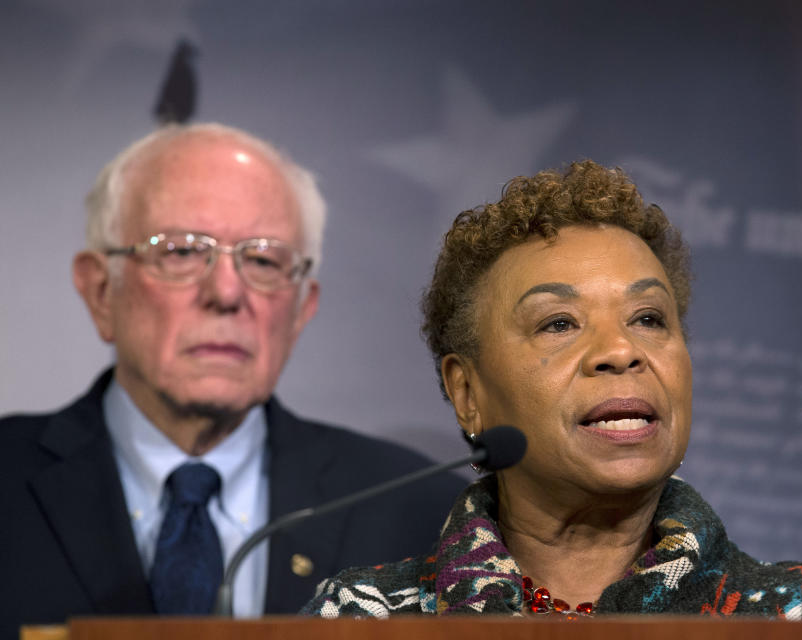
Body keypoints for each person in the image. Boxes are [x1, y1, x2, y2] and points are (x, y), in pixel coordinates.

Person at [302, 161, 802, 620]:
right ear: (467, 390)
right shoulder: (361, 619)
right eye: (559, 323)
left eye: (649, 318)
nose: (621, 350)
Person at [0, 123, 465, 636]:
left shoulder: (420, 516)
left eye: (263, 259)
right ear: (100, 291)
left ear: (301, 309)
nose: (226, 292)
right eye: (179, 252)